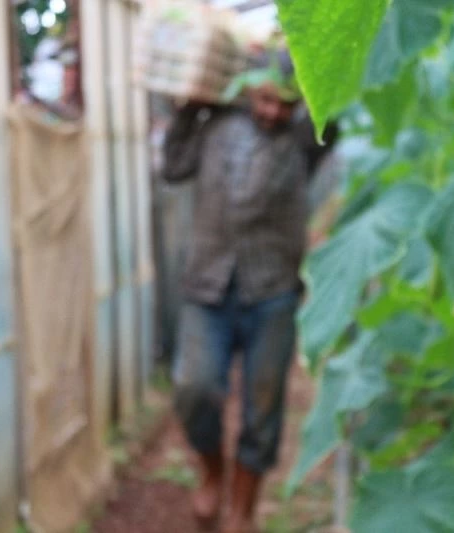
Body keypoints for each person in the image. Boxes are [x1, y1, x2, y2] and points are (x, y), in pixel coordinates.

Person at [162, 48, 337, 533]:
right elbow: (173, 168)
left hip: (272, 290)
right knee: (195, 388)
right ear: (245, 91)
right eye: (264, 100)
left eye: (285, 104)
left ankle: (242, 509)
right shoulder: (213, 122)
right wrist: (189, 107)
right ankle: (213, 472)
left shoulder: (304, 138)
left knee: (263, 409)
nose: (272, 113)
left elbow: (334, 101)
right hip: (207, 285)